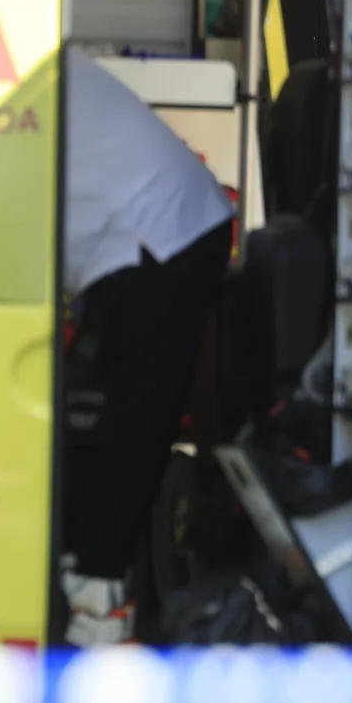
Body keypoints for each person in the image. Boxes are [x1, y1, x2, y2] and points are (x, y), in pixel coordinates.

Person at [61, 48, 235, 646]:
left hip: (158, 230)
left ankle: (99, 597)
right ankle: (89, 576)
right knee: (108, 413)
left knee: (127, 416)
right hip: (154, 221)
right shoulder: (4, 57)